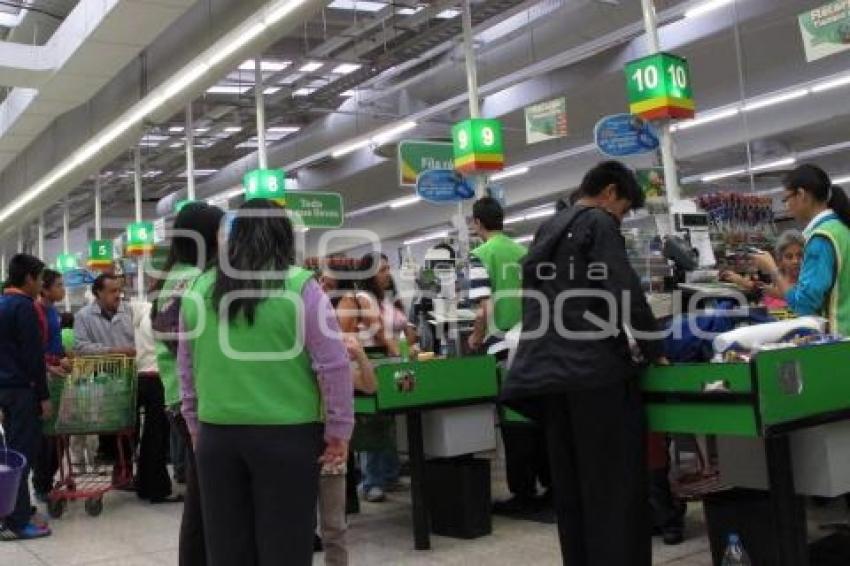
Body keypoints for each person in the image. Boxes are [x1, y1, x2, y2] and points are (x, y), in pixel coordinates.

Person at [501, 161, 667, 565]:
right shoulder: (598, 221)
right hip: (595, 374)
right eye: (624, 209)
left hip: (548, 378)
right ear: (610, 193)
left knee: (572, 488)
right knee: (613, 487)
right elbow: (623, 288)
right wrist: (652, 347)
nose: (621, 218)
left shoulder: (548, 229)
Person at [179, 199, 354, 566]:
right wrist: (339, 430)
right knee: (285, 547)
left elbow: (187, 368)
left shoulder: (198, 290)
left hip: (217, 437)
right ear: (284, 237)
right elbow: (333, 365)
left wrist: (194, 424)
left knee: (227, 550)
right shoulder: (301, 287)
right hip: (287, 438)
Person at [467, 196, 550, 517]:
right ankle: (549, 484)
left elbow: (484, 307)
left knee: (514, 422)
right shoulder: (522, 251)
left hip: (502, 347)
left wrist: (476, 337)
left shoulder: (480, 255)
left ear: (477, 224)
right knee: (538, 416)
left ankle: (523, 492)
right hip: (533, 343)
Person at [151, 201, 224, 566]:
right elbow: (190, 345)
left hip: (177, 396)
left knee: (201, 492)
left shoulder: (172, 278)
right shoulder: (196, 280)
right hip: (194, 397)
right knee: (205, 497)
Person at [753, 164, 850, 336]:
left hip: (838, 338)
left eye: (787, 199)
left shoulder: (821, 238)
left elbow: (803, 304)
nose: (787, 206)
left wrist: (772, 269)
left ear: (802, 195)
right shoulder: (842, 229)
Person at [351, 253, 414, 503]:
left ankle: (388, 474)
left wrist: (401, 349)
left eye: (388, 269)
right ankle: (371, 481)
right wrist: (398, 351)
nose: (388, 274)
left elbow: (405, 331)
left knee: (387, 420)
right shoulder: (363, 298)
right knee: (372, 424)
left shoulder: (386, 299)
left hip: (388, 364)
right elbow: (378, 333)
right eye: (382, 270)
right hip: (370, 365)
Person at [0, 254, 52, 540]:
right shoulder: (24, 307)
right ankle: (18, 522)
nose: (42, 284)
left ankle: (11, 509)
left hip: (3, 390)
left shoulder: (1, 304)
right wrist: (43, 396)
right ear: (29, 278)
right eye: (40, 278)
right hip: (22, 392)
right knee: (21, 455)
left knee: (7, 454)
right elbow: (33, 357)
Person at [32, 269, 71, 502]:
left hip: (58, 377)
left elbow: (53, 344)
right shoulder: (36, 312)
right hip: (46, 378)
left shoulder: (52, 311)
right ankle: (42, 484)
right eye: (58, 285)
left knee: (61, 433)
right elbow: (34, 351)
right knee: (47, 435)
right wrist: (50, 365)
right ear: (44, 288)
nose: (63, 289)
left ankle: (48, 480)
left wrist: (65, 356)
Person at [721, 230, 804, 310]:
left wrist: (770, 267)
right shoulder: (775, 283)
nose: (795, 261)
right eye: (789, 257)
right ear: (780, 261)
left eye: (800, 255)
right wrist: (741, 281)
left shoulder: (806, 284)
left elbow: (789, 295)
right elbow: (765, 289)